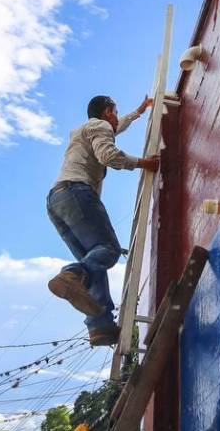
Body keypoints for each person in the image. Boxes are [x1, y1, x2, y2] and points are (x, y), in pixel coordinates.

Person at [47, 94, 158, 346]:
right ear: (107, 112)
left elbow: (117, 127)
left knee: (93, 261)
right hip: (77, 193)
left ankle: (101, 327)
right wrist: (144, 163)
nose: (117, 118)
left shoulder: (85, 130)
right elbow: (107, 155)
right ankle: (71, 274)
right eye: (115, 112)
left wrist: (139, 111)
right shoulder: (101, 126)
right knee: (107, 250)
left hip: (57, 202)